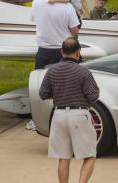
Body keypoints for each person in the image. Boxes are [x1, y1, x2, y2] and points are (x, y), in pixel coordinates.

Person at [38, 37, 99, 183]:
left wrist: (58, 93)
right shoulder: (83, 71)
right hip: (79, 114)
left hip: (58, 115)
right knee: (90, 155)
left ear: (61, 52)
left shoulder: (51, 71)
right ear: (78, 52)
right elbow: (93, 96)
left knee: (63, 157)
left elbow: (43, 94)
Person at [31, 0, 80, 68]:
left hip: (43, 51)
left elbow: (34, 19)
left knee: (42, 80)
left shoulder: (35, 3)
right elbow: (75, 31)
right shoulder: (67, 6)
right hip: (63, 52)